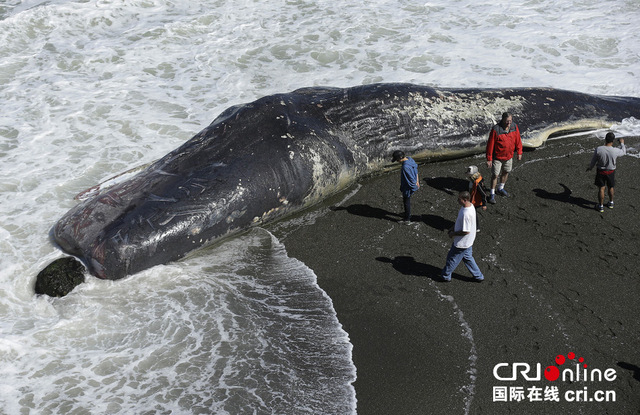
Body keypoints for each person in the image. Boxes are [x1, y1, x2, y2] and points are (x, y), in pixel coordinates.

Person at [440, 191, 485, 282]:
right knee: (468, 258)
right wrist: (453, 227)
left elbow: (466, 231)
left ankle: (446, 276)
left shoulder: (466, 214)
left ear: (465, 200)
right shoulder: (470, 206)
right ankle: (478, 276)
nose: (457, 200)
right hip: (468, 242)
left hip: (462, 243)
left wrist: (453, 234)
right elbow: (460, 223)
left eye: (459, 199)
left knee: (452, 259)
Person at [485, 112, 523, 204]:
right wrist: (489, 159)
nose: (509, 123)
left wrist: (519, 152)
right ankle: (492, 194)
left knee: (506, 171)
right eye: (507, 121)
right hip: (497, 157)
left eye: (510, 121)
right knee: (495, 175)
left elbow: (518, 139)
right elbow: (490, 145)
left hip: (509, 156)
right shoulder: (496, 130)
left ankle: (501, 188)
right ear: (502, 120)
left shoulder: (514, 127)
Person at [586, 132, 626, 212]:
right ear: (613, 141)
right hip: (611, 171)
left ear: (605, 139)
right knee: (611, 187)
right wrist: (622, 144)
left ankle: (600, 206)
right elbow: (624, 152)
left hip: (601, 171)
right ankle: (611, 202)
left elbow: (593, 161)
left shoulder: (599, 149)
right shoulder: (615, 150)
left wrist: (590, 167)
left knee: (601, 188)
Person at [392, 150, 420, 222]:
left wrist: (414, 186)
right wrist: (417, 181)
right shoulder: (410, 159)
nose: (397, 161)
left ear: (400, 158)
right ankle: (407, 214)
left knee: (406, 202)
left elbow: (410, 179)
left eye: (397, 160)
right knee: (406, 201)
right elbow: (415, 168)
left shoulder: (405, 167)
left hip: (407, 187)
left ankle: (407, 219)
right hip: (413, 184)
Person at [465, 165, 488, 231]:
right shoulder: (476, 179)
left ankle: (476, 227)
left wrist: (484, 204)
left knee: (473, 213)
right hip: (472, 199)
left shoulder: (477, 183)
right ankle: (475, 226)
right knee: (472, 213)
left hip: (475, 201)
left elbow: (483, 193)